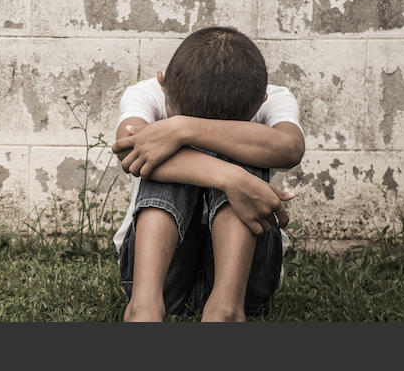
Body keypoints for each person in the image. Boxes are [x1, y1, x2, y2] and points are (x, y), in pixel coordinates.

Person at [111, 26, 305, 322]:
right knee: (159, 158)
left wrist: (181, 129)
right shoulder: (144, 94)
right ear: (160, 84)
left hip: (247, 282)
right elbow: (128, 152)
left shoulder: (277, 98)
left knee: (245, 144)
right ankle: (144, 309)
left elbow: (290, 147)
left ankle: (225, 310)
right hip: (162, 280)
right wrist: (233, 179)